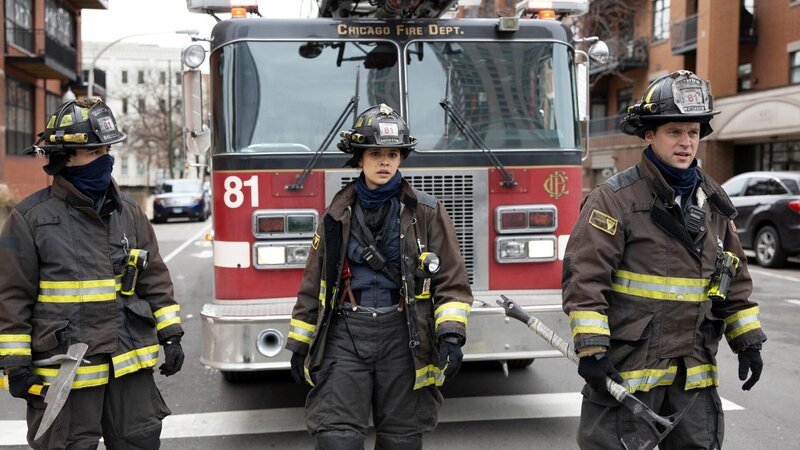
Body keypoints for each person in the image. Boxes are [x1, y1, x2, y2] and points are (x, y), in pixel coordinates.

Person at [562, 70, 766, 449]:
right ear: (649, 134)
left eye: (693, 132)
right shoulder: (615, 199)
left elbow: (733, 278)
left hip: (693, 375)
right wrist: (591, 349)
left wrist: (748, 342)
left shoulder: (714, 201)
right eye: (674, 132)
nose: (686, 142)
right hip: (628, 371)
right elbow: (585, 279)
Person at [286, 103, 473, 449]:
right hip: (345, 334)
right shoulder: (335, 213)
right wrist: (299, 344)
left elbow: (452, 281)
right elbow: (314, 285)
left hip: (404, 336)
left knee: (400, 442)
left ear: (402, 157)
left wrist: (450, 336)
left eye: (392, 153)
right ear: (359, 158)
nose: (384, 161)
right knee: (336, 441)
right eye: (375, 153)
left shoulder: (428, 213)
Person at [0, 98, 185, 449]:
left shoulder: (129, 212)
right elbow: (11, 298)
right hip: (66, 375)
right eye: (94, 152)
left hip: (128, 367)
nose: (106, 159)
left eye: (107, 149)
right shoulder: (30, 220)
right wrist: (15, 364)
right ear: (64, 159)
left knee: (140, 442)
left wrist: (171, 335)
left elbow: (155, 279)